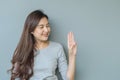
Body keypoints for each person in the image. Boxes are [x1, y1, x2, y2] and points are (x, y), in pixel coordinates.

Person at [10, 10, 77, 80]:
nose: (46, 30)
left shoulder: (57, 48)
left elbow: (68, 79)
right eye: (41, 27)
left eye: (47, 26)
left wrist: (72, 55)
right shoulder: (21, 50)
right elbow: (15, 77)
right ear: (31, 30)